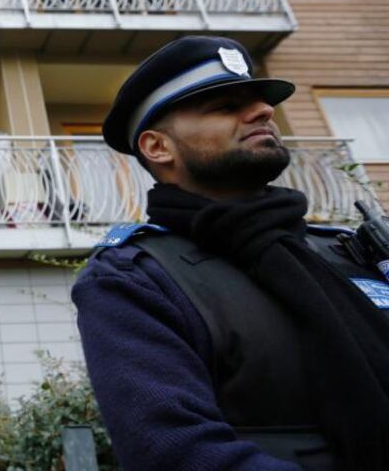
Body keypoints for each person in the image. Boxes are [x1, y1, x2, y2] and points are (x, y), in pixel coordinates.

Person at [72, 36, 389, 471]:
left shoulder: (347, 249)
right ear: (158, 147)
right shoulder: (135, 278)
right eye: (225, 106)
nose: (263, 111)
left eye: (258, 101)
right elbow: (174, 452)